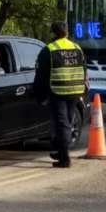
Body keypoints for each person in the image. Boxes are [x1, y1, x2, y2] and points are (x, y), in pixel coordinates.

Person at [34, 22, 86, 168]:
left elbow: (41, 76)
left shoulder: (49, 50)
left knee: (62, 124)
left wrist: (39, 95)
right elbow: (84, 70)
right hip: (75, 91)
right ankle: (60, 151)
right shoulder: (77, 48)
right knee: (66, 122)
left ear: (53, 33)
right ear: (67, 33)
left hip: (59, 91)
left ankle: (65, 159)